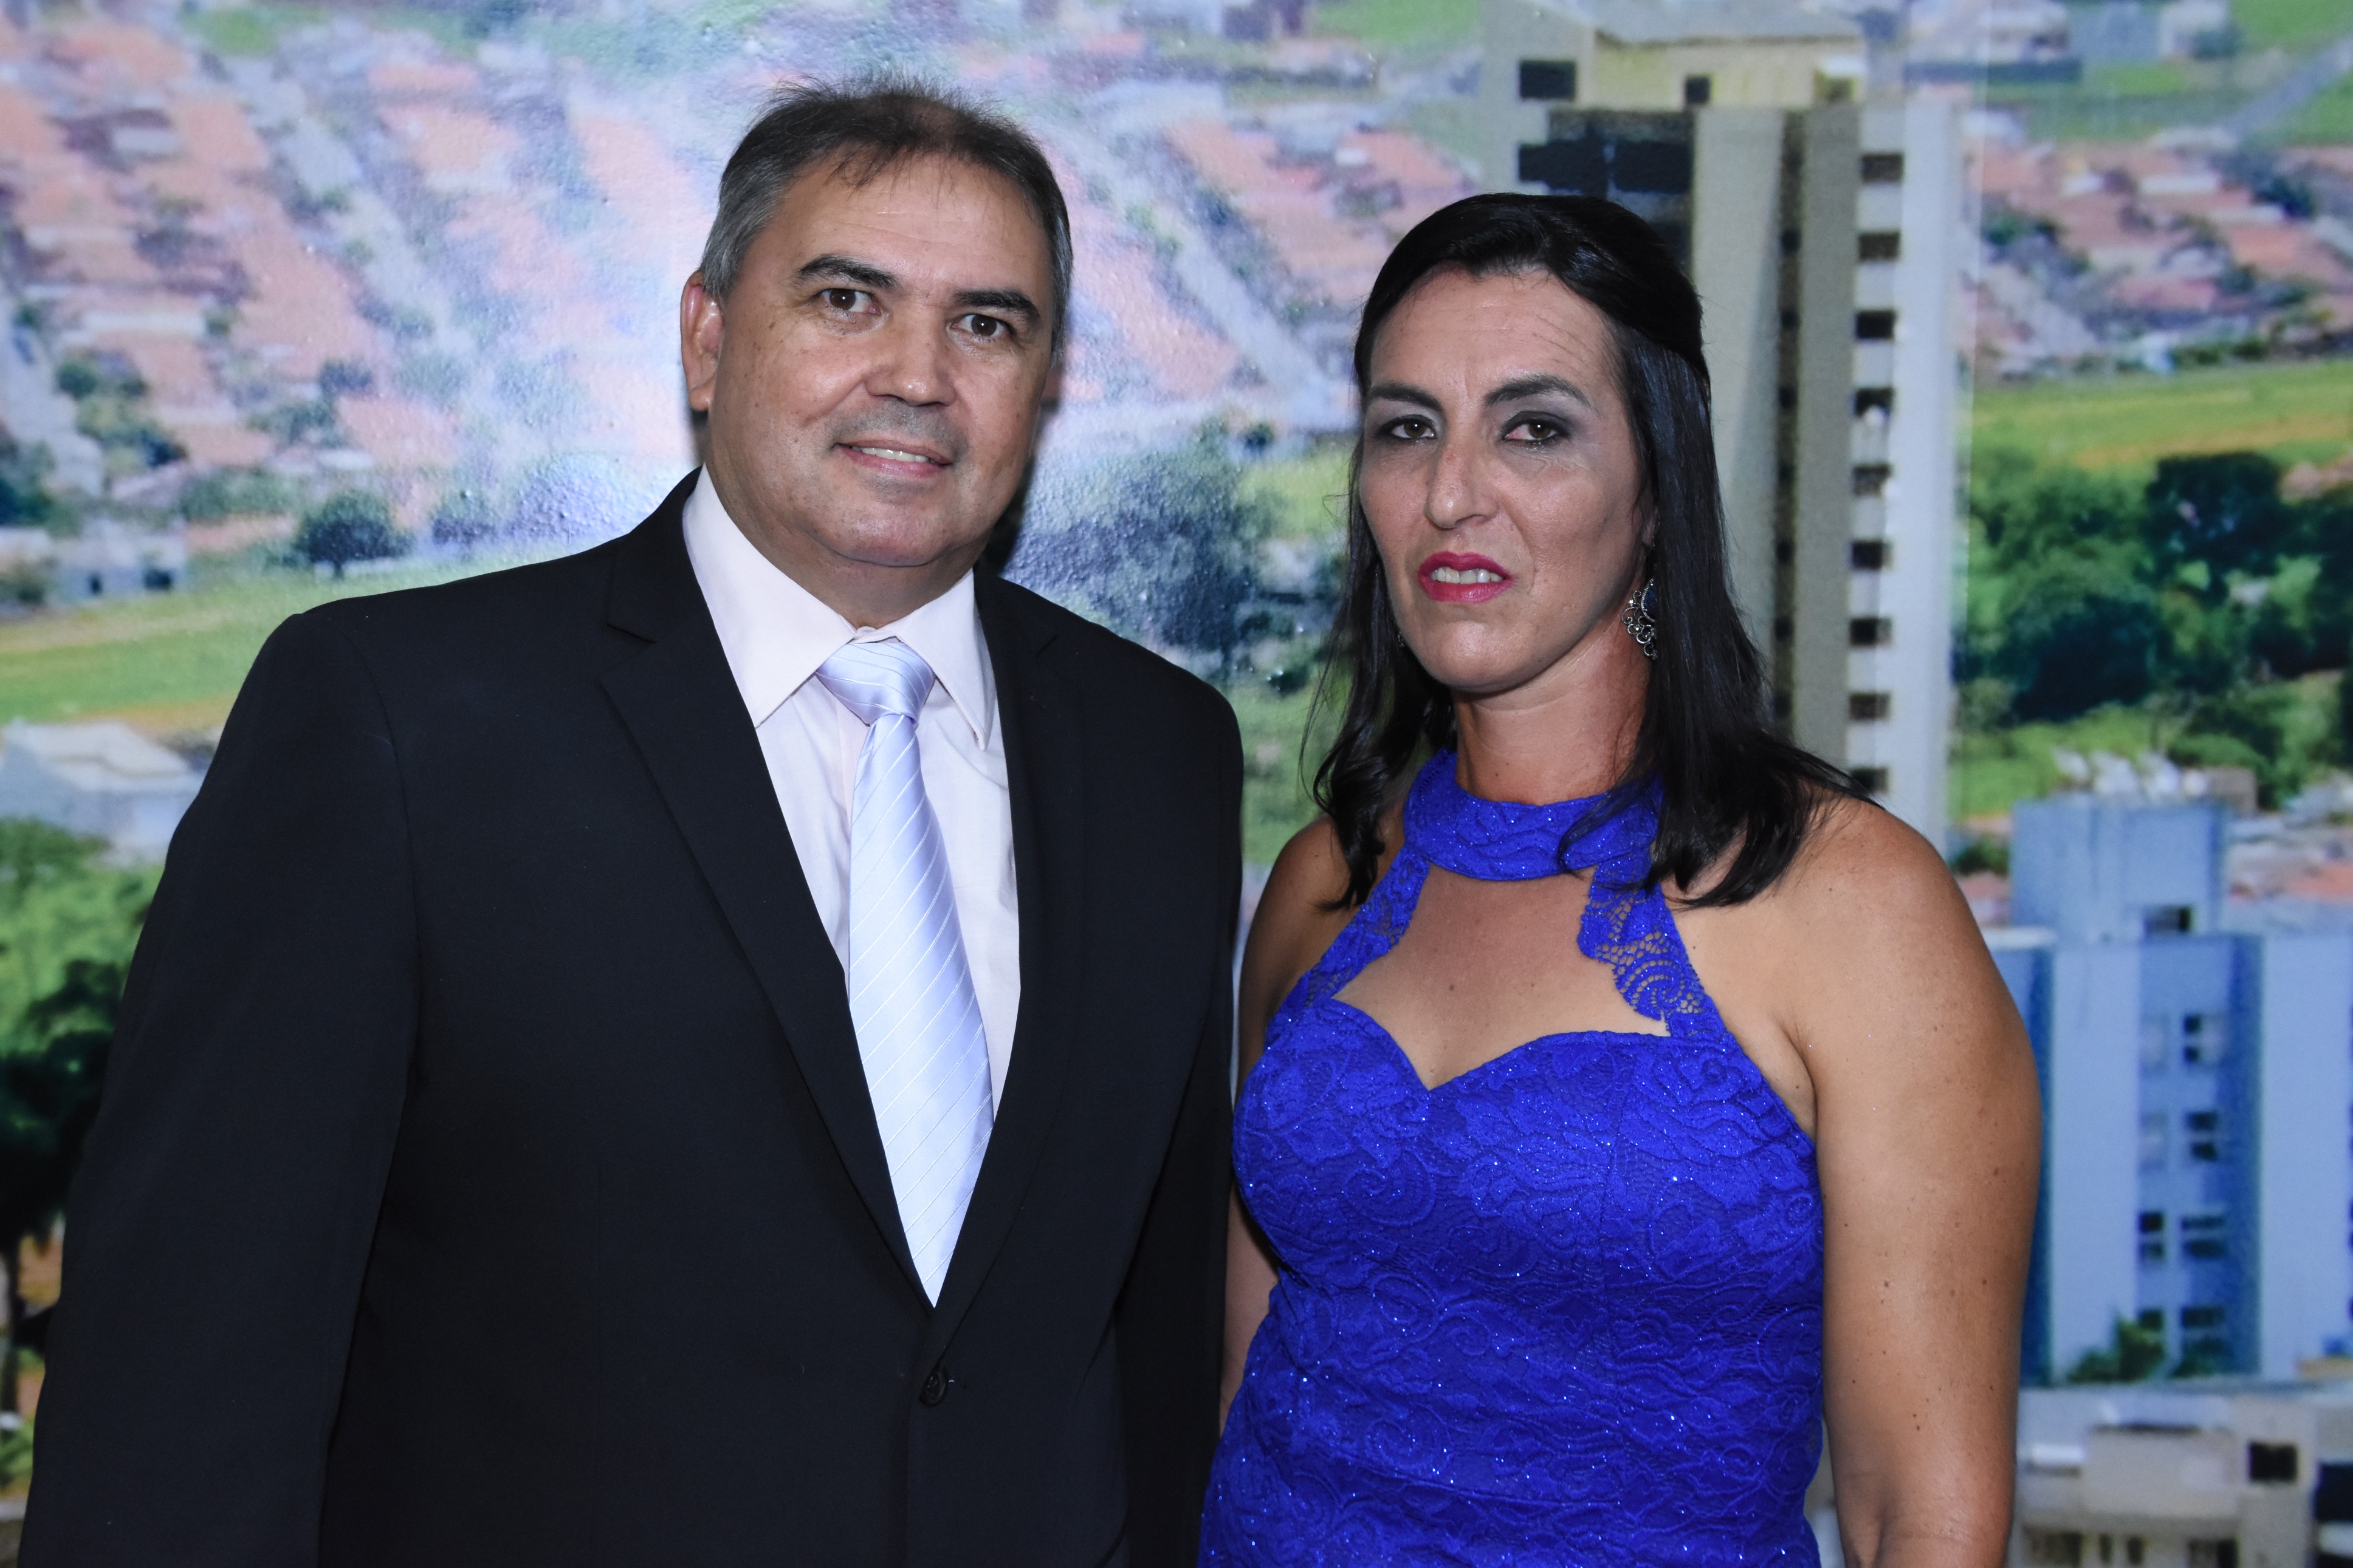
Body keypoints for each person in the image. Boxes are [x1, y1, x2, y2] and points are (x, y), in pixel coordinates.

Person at [26, 79, 1239, 1568]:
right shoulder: (392, 722)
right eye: (847, 299)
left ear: (1045, 383)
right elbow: (181, 1376)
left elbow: (1154, 1348)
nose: (918, 375)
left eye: (987, 324)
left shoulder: (1162, 751)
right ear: (708, 336)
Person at [1201, 194, 2039, 1566]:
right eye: (1407, 428)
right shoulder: (1324, 880)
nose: (1451, 492)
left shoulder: (1855, 907)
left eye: (1534, 429)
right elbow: (1245, 1378)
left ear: (1655, 493)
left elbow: (1920, 1518)